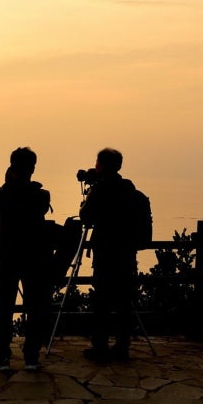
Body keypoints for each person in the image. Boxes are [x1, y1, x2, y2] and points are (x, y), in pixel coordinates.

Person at [0, 147, 52, 371]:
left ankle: (2, 356)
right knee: (35, 307)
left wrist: (8, 182)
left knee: (4, 307)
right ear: (33, 168)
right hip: (35, 255)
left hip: (7, 254)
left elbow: (1, 216)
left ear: (12, 167)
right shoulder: (42, 196)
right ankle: (31, 357)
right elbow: (38, 213)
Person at [79, 148, 138, 362]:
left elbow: (86, 216)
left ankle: (100, 347)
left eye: (97, 162)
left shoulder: (101, 188)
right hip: (126, 251)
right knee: (124, 301)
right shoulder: (128, 187)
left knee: (102, 301)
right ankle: (122, 346)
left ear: (101, 165)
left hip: (105, 250)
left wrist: (89, 195)